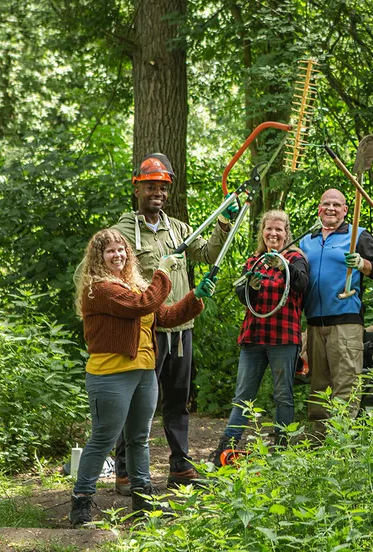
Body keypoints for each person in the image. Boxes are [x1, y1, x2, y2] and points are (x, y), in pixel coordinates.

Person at [69, 229, 215, 526]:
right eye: (110, 251)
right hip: (110, 376)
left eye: (121, 250)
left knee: (139, 439)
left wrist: (195, 297)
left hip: (144, 373)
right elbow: (143, 304)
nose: (118, 255)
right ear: (98, 257)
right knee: (103, 439)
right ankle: (81, 504)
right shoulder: (99, 289)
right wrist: (162, 271)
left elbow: (166, 316)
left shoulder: (133, 285)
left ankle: (143, 501)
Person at [112, 153, 238, 493]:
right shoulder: (122, 233)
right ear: (137, 189)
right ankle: (124, 470)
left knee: (178, 401)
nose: (158, 193)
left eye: (163, 187)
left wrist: (223, 225)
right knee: (138, 401)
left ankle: (180, 465)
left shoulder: (179, 228)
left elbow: (210, 253)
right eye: (150, 186)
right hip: (145, 332)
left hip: (181, 329)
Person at [212, 210, 309, 463]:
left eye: (279, 230)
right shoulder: (254, 260)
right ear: (262, 233)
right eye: (269, 229)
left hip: (284, 338)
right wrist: (249, 287)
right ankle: (226, 448)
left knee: (283, 395)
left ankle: (282, 451)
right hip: (253, 337)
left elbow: (301, 284)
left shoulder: (296, 258)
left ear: (286, 232)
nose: (273, 234)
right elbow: (244, 299)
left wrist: (284, 266)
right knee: (243, 396)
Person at [299, 188, 373, 428]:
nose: (331, 208)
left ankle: (340, 445)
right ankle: (318, 441)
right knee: (318, 386)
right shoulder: (306, 240)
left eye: (337, 205)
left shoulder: (357, 235)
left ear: (345, 210)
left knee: (346, 385)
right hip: (314, 324)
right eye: (326, 204)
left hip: (345, 322)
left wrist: (363, 263)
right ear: (319, 209)